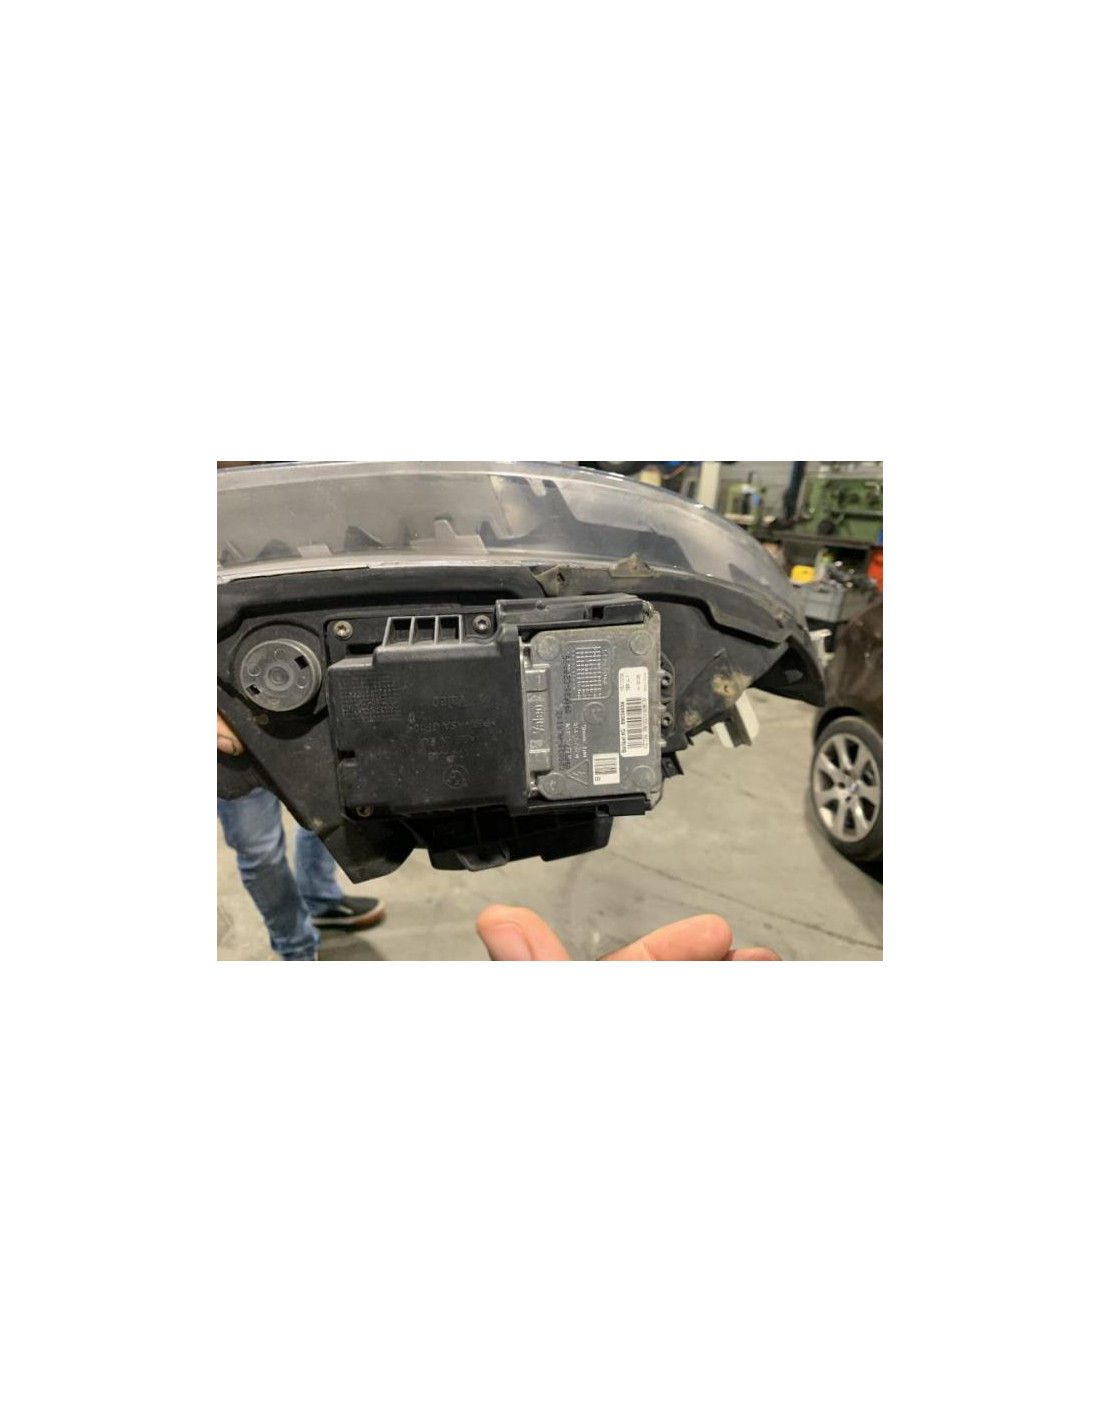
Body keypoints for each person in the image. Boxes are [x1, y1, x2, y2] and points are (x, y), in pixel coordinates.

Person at [218, 713, 385, 961]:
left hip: (301, 716)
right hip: (231, 728)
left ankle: (320, 898)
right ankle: (297, 948)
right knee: (260, 852)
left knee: (325, 814)